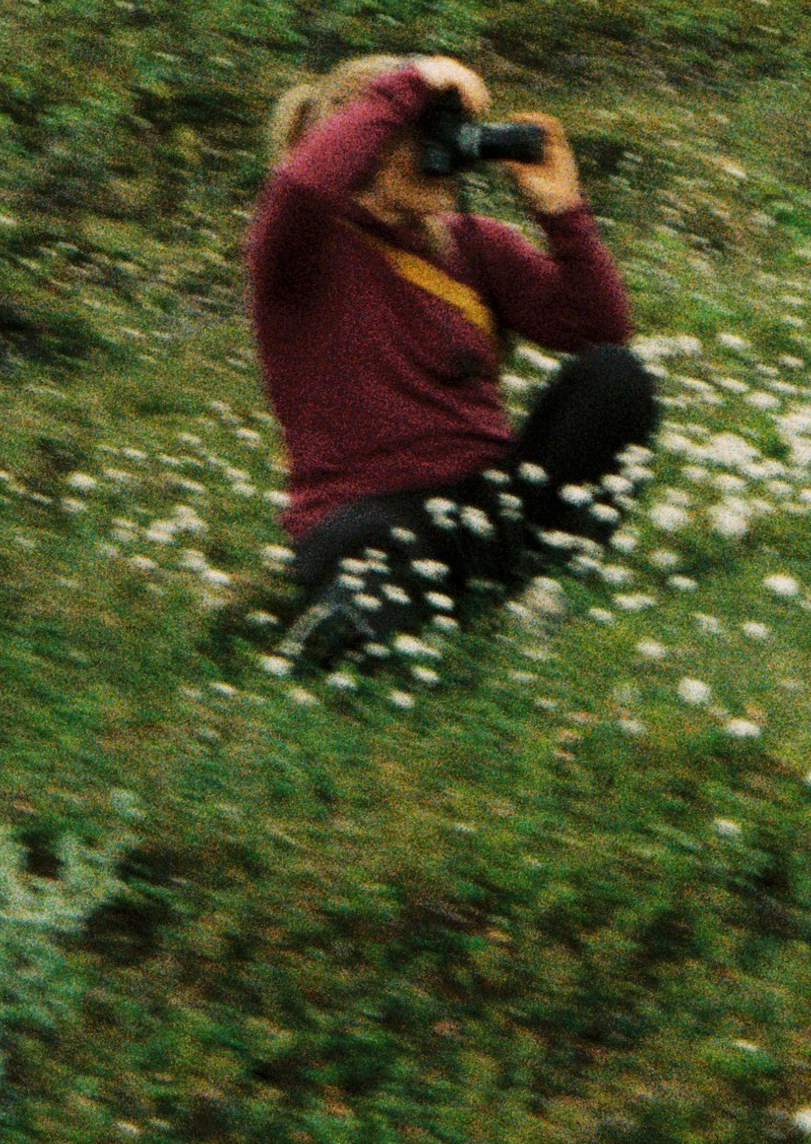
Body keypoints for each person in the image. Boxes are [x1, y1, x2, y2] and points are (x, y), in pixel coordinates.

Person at [247, 48, 660, 679]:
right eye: (428, 136)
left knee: (615, 378)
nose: (453, 154)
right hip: (370, 515)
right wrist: (414, 84)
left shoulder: (476, 244)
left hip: (485, 501)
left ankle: (538, 584)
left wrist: (562, 213)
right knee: (383, 569)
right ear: (369, 144)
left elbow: (597, 329)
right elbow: (302, 186)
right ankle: (351, 626)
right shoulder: (301, 250)